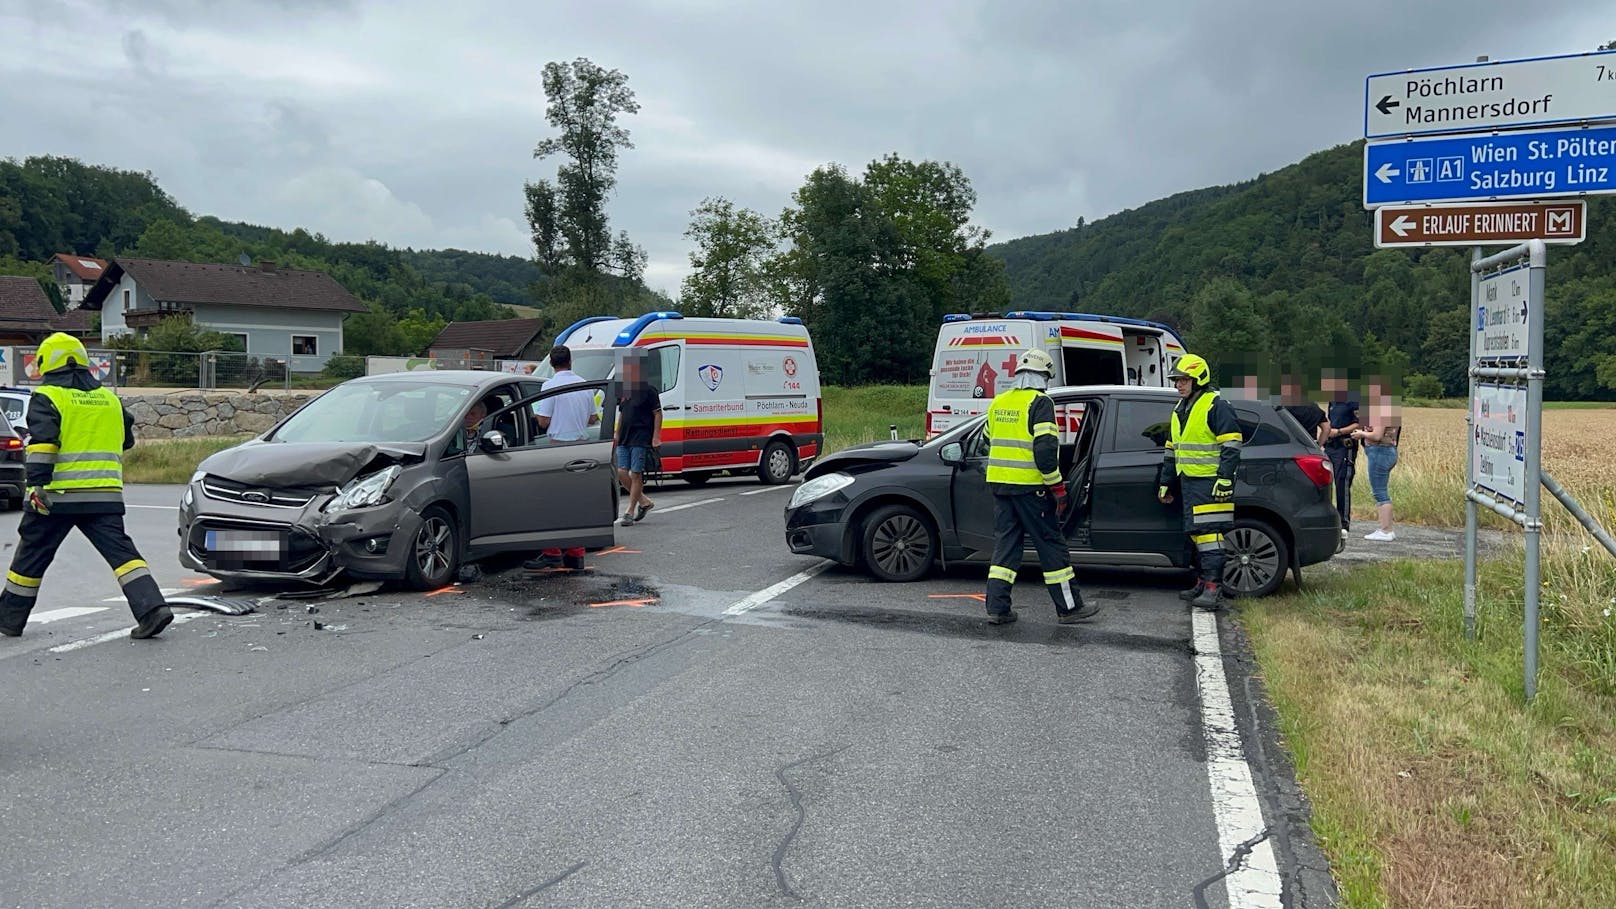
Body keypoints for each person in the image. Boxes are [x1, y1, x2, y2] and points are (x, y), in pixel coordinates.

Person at [0, 333, 172, 639]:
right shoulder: (109, 399)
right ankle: (152, 609)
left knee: (32, 555)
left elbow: (43, 445)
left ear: (45, 363)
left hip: (56, 497)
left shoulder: (49, 396)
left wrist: (37, 486)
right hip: (104, 495)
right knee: (123, 555)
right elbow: (126, 441)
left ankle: (9, 620)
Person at [981, 348, 1097, 626]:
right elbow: (1045, 451)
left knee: (1006, 548)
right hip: (1031, 490)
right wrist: (1057, 487)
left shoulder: (999, 402)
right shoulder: (1040, 403)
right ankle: (1069, 608)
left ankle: (998, 608)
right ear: (1043, 376)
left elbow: (987, 441)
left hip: (1001, 487)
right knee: (1051, 546)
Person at [1157, 352, 1242, 610]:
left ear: (1198, 379)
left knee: (1210, 535)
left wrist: (1225, 479)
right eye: (1177, 380)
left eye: (1184, 380)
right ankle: (1203, 582)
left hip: (1210, 483)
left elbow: (1232, 443)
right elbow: (1172, 450)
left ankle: (1214, 587)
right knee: (1196, 533)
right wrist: (1166, 482)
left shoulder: (1216, 405)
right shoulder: (1180, 409)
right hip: (1190, 482)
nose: (1178, 385)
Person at [526, 345, 601, 571]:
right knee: (576, 503)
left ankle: (552, 552)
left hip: (557, 449)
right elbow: (592, 419)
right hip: (581, 448)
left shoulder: (549, 386)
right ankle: (576, 553)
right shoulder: (585, 386)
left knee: (551, 503)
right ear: (571, 362)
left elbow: (542, 422)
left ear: (551, 363)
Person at [614, 351, 661, 526]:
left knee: (636, 473)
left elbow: (657, 413)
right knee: (621, 472)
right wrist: (617, 433)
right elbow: (622, 413)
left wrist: (656, 436)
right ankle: (644, 501)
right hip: (625, 436)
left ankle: (630, 511)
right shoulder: (624, 389)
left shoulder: (649, 390)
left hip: (640, 436)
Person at [1352, 380, 1402, 541]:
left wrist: (1361, 434)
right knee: (1380, 490)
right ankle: (1386, 529)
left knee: (1379, 492)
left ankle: (1386, 530)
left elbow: (1377, 435)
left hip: (1380, 451)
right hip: (1386, 451)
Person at [1320, 370, 1360, 551]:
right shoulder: (1333, 401)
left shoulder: (1353, 399)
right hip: (1331, 445)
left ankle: (1344, 522)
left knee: (1342, 483)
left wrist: (1340, 431)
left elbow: (1359, 423)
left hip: (1345, 445)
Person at [1278, 374, 1326, 445]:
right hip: (1309, 447)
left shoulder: (1282, 408)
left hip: (1289, 445)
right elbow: (1327, 428)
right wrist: (1319, 445)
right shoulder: (1314, 407)